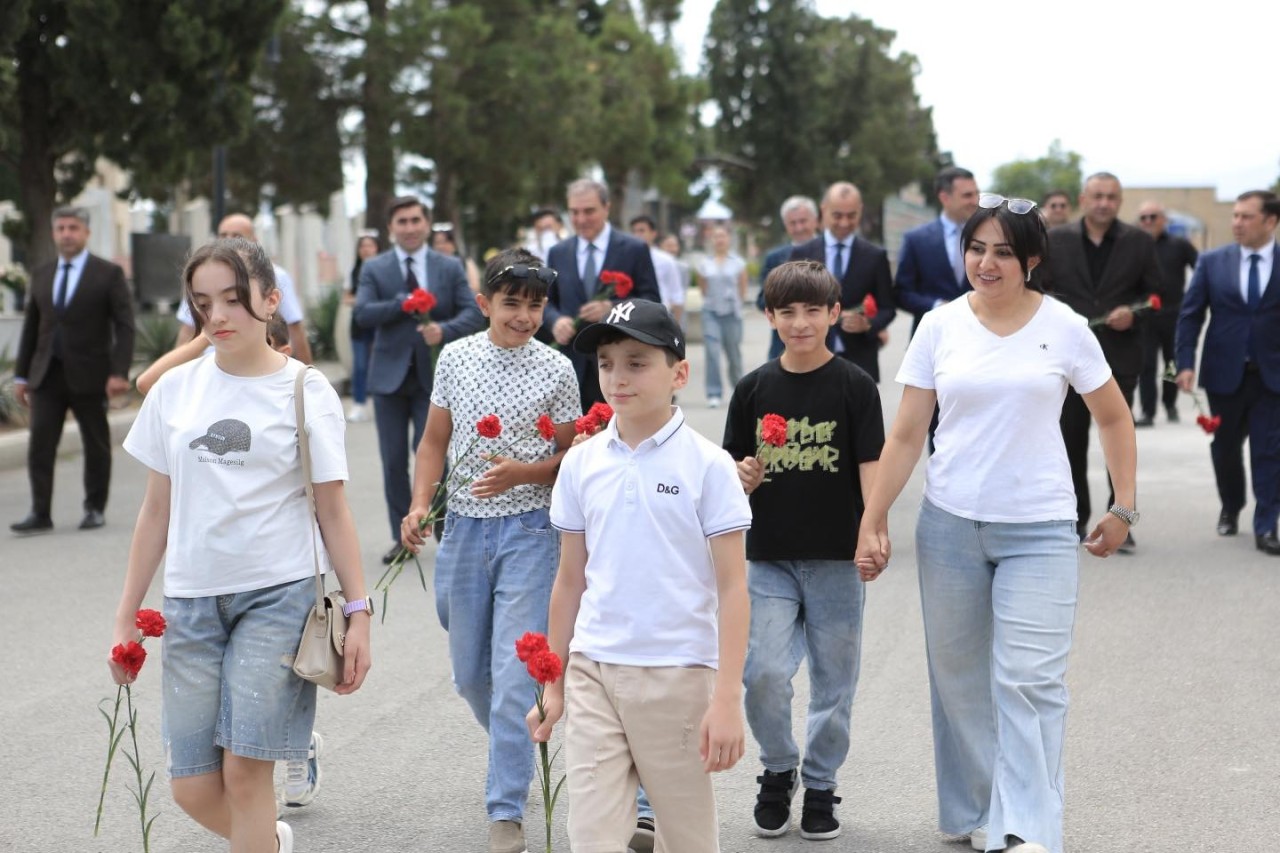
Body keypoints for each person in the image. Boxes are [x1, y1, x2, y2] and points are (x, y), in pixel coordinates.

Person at [856, 196, 1138, 853]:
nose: (986, 262)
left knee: (1029, 679)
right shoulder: (939, 326)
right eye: (976, 248)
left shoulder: (1064, 327)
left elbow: (1115, 416)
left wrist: (1123, 505)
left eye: (1003, 251)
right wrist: (873, 521)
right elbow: (905, 434)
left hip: (1039, 527)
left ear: (1032, 260)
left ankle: (1027, 827)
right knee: (958, 679)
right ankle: (979, 809)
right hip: (950, 526)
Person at [110, 237, 372, 853]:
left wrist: (358, 613)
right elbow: (155, 511)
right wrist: (126, 616)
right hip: (192, 603)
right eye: (203, 302)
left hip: (278, 598)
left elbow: (333, 509)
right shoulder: (176, 390)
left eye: (233, 298)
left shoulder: (306, 391)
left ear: (270, 300)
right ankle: (268, 844)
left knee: (245, 773)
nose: (217, 315)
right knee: (191, 787)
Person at [529, 298, 752, 853]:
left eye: (636, 362)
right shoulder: (580, 464)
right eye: (606, 363)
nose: (616, 377)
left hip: (678, 674)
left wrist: (727, 698)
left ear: (679, 373)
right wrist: (552, 683)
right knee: (592, 837)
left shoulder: (709, 466)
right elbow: (569, 580)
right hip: (593, 671)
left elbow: (733, 589)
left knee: (687, 838)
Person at [399, 248, 579, 853]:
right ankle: (518, 741)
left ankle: (506, 810)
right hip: (462, 531)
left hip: (529, 531)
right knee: (470, 674)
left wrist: (524, 471)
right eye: (512, 303)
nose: (524, 315)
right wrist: (420, 503)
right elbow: (433, 440)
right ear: (485, 305)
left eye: (535, 305)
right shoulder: (455, 357)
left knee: (511, 677)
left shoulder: (557, 369)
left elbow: (570, 460)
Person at [724, 260, 884, 840]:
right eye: (786, 312)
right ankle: (778, 766)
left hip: (837, 557)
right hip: (769, 554)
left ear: (834, 313)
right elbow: (732, 466)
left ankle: (820, 782)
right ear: (769, 317)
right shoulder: (755, 387)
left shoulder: (854, 386)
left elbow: (871, 464)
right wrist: (741, 472)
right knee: (762, 671)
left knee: (835, 680)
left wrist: (874, 528)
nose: (799, 322)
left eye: (812, 310)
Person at [355, 196, 486, 564]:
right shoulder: (375, 268)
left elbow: (473, 314)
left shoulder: (448, 266)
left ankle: (446, 531)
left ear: (427, 224)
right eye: (402, 221)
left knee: (434, 455)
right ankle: (405, 536)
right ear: (391, 228)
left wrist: (442, 330)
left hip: (436, 377)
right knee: (393, 459)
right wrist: (404, 303)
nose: (410, 227)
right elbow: (363, 313)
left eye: (416, 220)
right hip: (389, 380)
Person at [1047, 172, 1160, 548]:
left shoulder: (1140, 242)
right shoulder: (1056, 239)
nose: (1104, 203)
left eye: (1111, 197)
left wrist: (1135, 313)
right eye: (1097, 195)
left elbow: (1158, 294)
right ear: (1083, 198)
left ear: (1120, 201)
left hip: (1119, 355)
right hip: (1066, 359)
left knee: (1120, 438)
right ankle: (1075, 520)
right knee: (1070, 441)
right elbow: (1038, 292)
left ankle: (1121, 519)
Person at [11, 205, 135, 534]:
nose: (67, 234)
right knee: (40, 444)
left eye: (73, 228)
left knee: (95, 444)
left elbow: (124, 326)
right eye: (61, 228)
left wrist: (119, 371)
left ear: (86, 233)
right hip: (46, 374)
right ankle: (40, 513)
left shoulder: (107, 273)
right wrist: (22, 375)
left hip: (91, 375)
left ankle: (94, 508)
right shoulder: (41, 273)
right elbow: (32, 328)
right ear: (54, 233)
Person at [1175, 190, 1280, 551]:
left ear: (1270, 221)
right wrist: (1185, 362)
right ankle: (1231, 506)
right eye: (1234, 215)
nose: (1236, 223)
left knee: (1271, 451)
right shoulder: (1212, 261)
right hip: (1224, 374)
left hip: (1273, 376)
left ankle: (1267, 524)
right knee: (1225, 449)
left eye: (1246, 217)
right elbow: (1190, 316)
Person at [544, 178, 660, 410]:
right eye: (574, 212)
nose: (581, 219)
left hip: (618, 364)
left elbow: (653, 301)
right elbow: (547, 303)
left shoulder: (633, 249)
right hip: (570, 363)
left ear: (606, 208)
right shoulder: (558, 252)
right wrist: (556, 321)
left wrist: (613, 308)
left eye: (589, 211)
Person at [790, 182, 896, 382]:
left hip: (860, 360)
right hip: (811, 355)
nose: (844, 223)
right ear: (824, 211)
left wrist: (868, 324)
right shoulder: (802, 253)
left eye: (852, 216)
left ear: (860, 211)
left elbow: (888, 307)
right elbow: (789, 303)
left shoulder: (875, 256)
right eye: (837, 215)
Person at [175, 213, 313, 364]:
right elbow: (187, 329)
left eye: (234, 300)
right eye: (223, 235)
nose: (216, 317)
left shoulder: (276, 275)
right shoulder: (202, 276)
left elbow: (295, 326)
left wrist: (306, 371)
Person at [894, 166, 980, 336]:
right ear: (945, 198)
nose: (975, 200)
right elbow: (901, 293)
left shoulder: (987, 236)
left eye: (977, 193)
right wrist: (937, 306)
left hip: (980, 333)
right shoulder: (916, 239)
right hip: (932, 336)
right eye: (967, 195)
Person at [1135, 201, 1198, 426]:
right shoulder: (1133, 246)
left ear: (1164, 220)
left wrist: (1193, 300)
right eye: (1143, 218)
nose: (1148, 221)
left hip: (1174, 315)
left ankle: (1170, 405)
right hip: (1144, 316)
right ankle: (1148, 412)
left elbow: (1201, 270)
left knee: (1171, 363)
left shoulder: (1179, 244)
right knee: (1146, 366)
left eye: (1153, 217)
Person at [757, 196, 820, 360]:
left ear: (815, 221)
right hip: (782, 347)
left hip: (825, 346)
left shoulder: (831, 253)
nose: (799, 227)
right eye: (793, 223)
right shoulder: (774, 258)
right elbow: (761, 299)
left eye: (803, 221)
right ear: (786, 226)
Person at [695, 225, 748, 408]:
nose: (719, 240)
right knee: (712, 353)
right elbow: (703, 287)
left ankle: (739, 389)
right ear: (712, 240)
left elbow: (742, 287)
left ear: (728, 239)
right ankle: (714, 393)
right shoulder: (705, 263)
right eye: (716, 237)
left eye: (722, 236)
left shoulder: (738, 262)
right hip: (711, 312)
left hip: (732, 313)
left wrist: (737, 305)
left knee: (733, 354)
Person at [344, 234, 381, 422]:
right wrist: (362, 301)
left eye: (370, 245)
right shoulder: (354, 271)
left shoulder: (384, 269)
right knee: (360, 366)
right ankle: (359, 403)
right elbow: (346, 297)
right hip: (359, 325)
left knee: (378, 365)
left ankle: (379, 402)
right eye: (363, 246)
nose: (366, 249)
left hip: (379, 324)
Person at [630, 215, 685, 327]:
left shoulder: (666, 260)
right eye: (634, 231)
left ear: (653, 233)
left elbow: (676, 294)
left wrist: (676, 327)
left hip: (660, 316)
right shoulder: (626, 258)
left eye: (642, 231)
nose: (637, 235)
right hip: (632, 317)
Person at [430, 224, 483, 292]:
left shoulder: (465, 262)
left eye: (445, 242)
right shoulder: (430, 265)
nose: (441, 246)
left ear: (453, 244)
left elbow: (475, 286)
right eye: (437, 242)